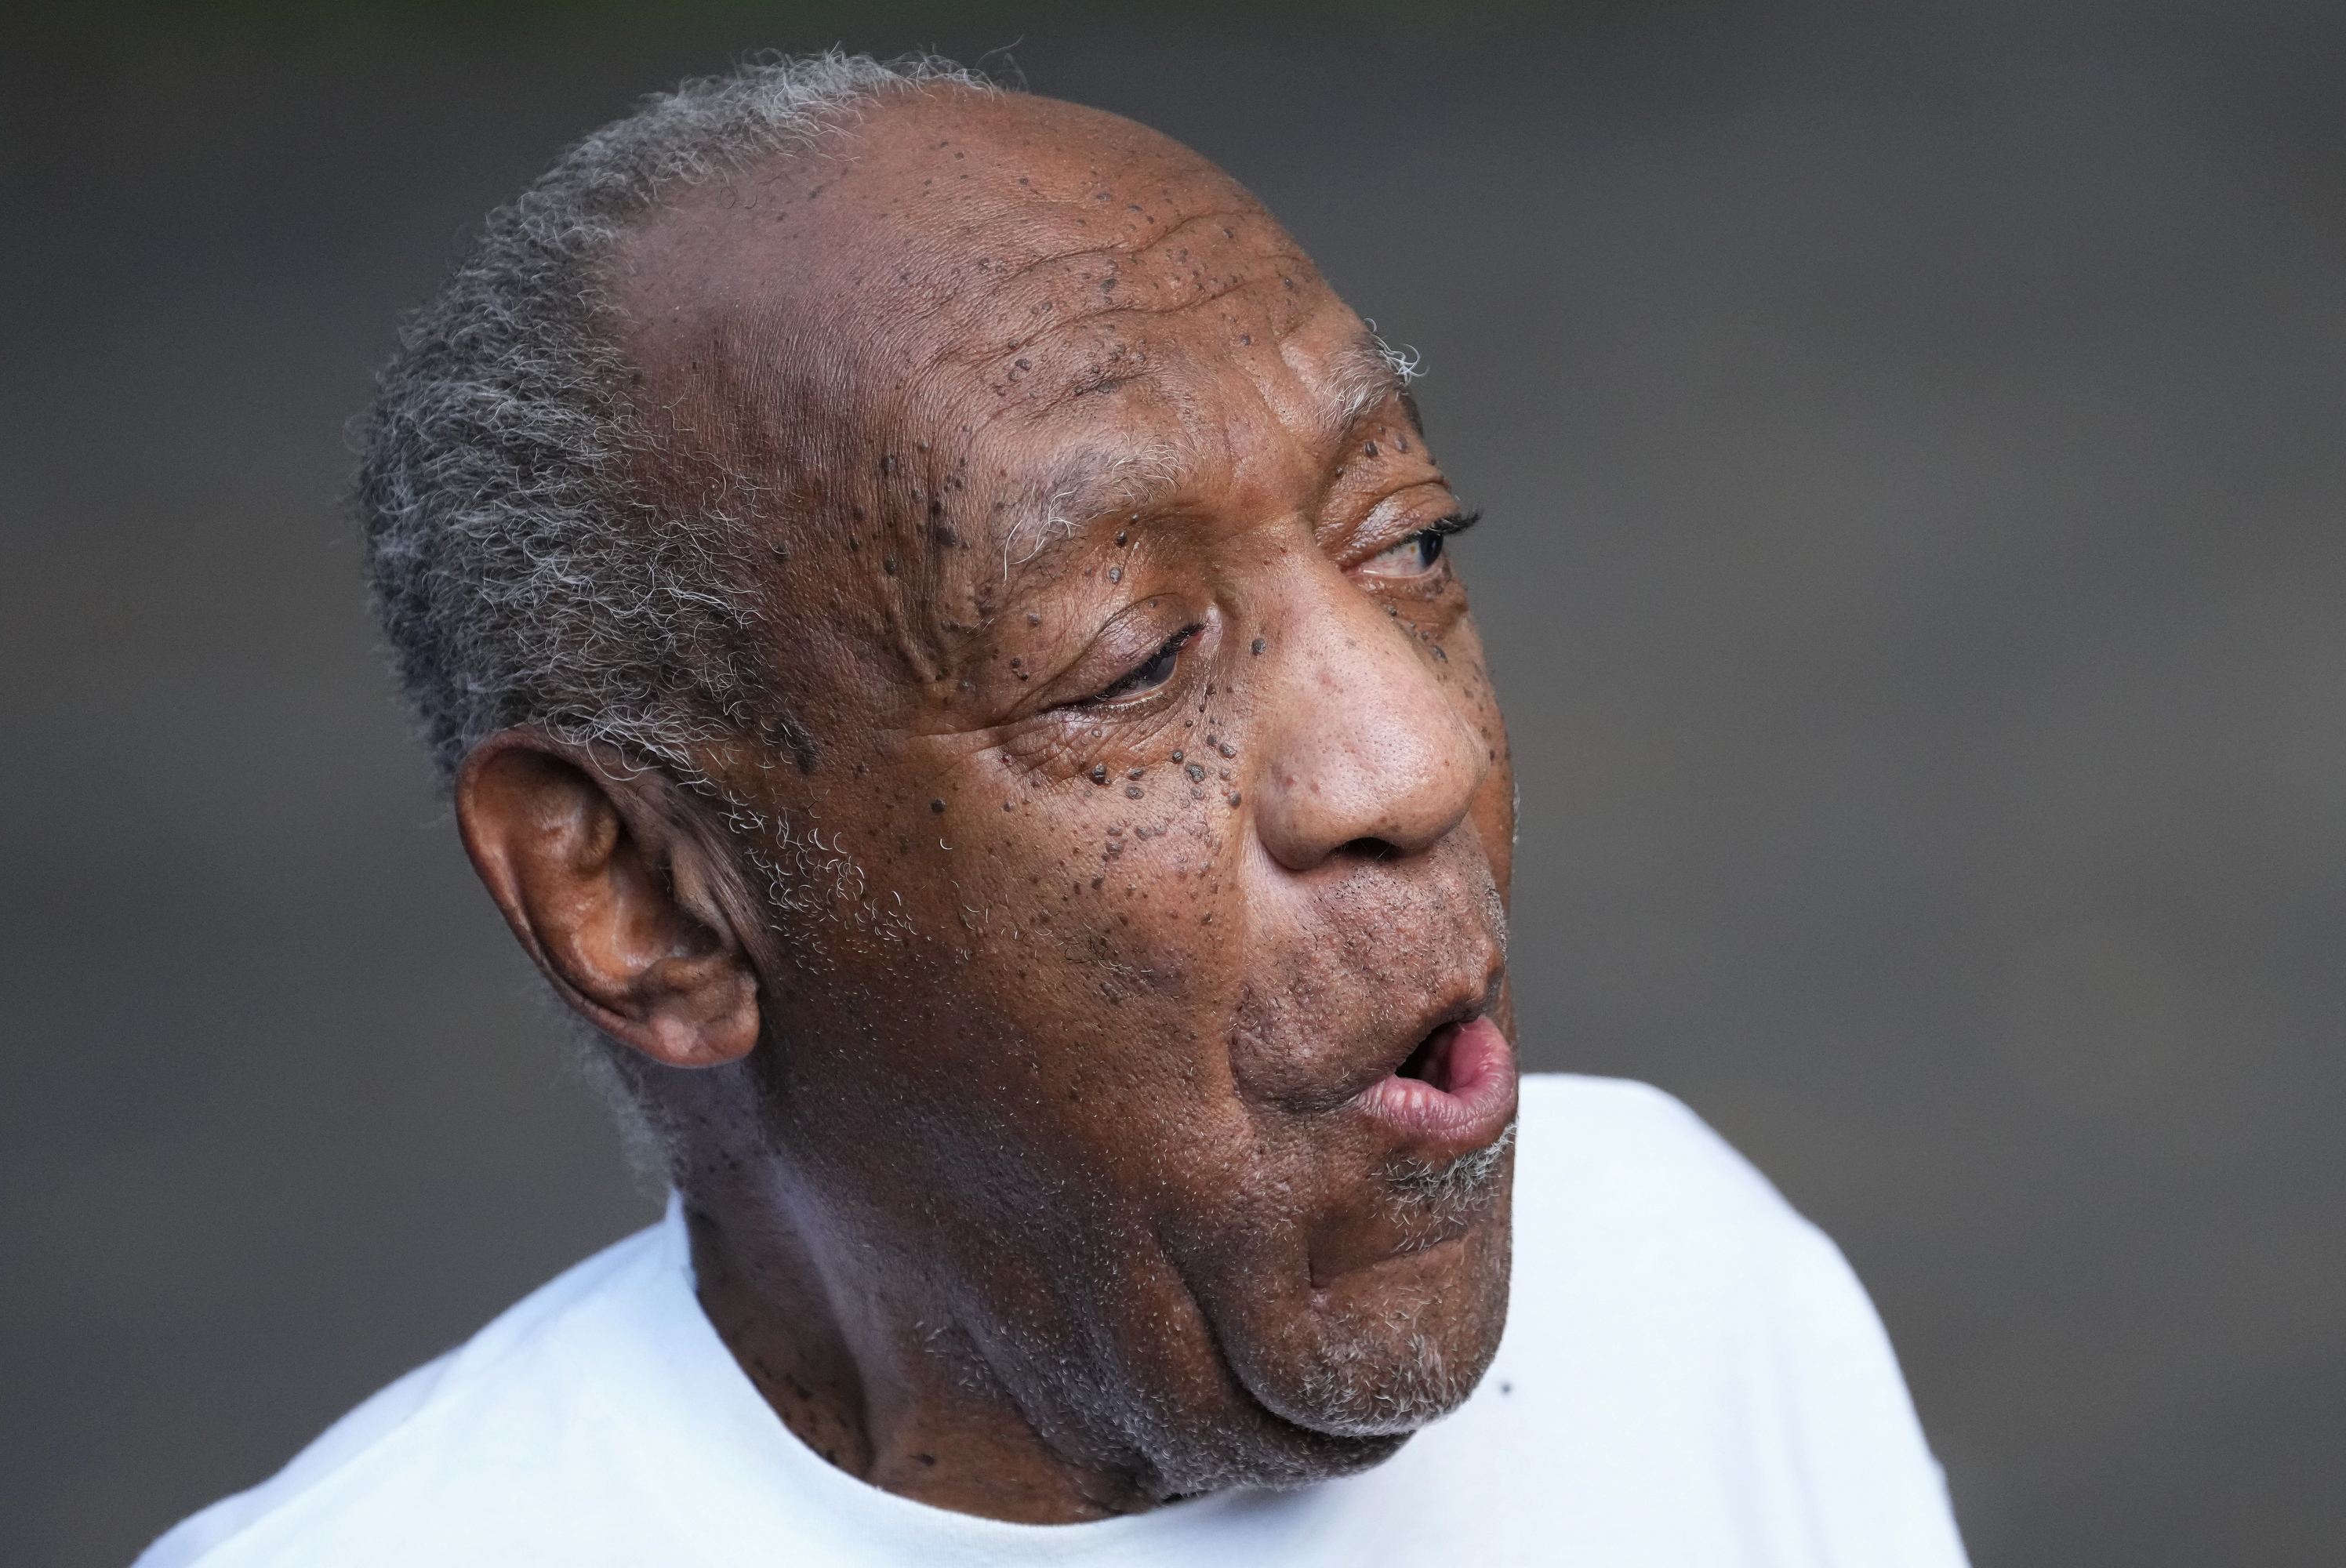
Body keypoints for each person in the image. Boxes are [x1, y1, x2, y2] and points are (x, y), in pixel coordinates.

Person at [140, 53, 1969, 1566]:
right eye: (1136, 662)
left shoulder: (1681, 1281)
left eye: (1405, 544)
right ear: (653, 900)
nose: (1412, 759)